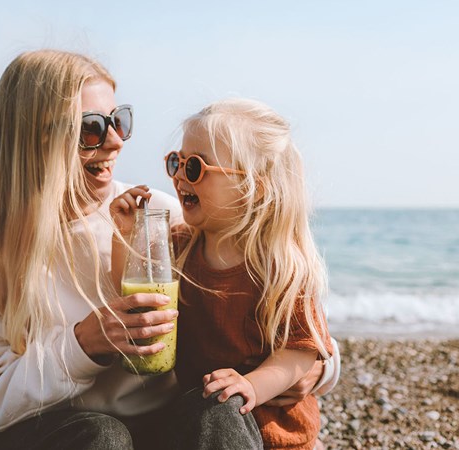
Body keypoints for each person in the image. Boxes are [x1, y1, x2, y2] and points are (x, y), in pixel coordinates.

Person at [0, 49, 338, 450]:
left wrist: (310, 371)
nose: (115, 141)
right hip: (57, 434)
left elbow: (286, 319)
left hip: (162, 428)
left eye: (119, 121)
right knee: (103, 436)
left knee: (219, 409)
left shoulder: (156, 216)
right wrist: (84, 343)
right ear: (34, 137)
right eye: (91, 128)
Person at [110, 98, 337, 449]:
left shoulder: (281, 266)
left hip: (276, 433)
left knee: (223, 410)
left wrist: (251, 386)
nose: (179, 176)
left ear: (253, 187)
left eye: (195, 167)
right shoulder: (179, 246)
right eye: (177, 162)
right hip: (200, 423)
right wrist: (126, 236)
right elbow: (137, 303)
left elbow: (299, 351)